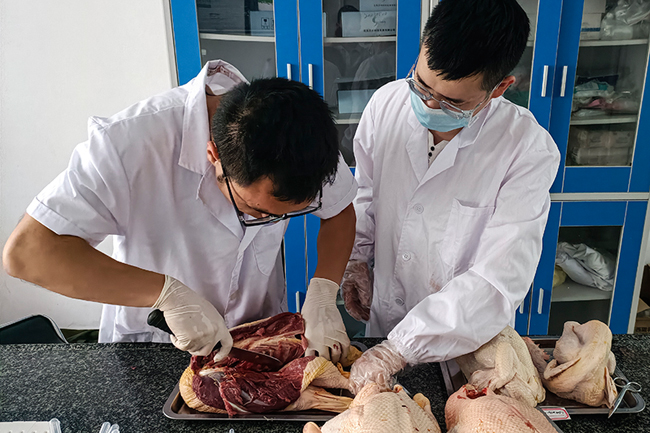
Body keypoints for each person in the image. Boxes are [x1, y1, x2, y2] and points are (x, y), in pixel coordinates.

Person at [3, 60, 357, 364]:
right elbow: (28, 253)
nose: (267, 222)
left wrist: (323, 292)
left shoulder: (303, 140)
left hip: (257, 340)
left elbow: (339, 210)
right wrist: (165, 294)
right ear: (213, 155)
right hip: (155, 348)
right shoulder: (128, 143)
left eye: (286, 215)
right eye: (254, 209)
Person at [342, 0, 561, 392]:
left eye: (452, 102)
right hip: (383, 321)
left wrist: (400, 348)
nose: (428, 104)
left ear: (500, 88)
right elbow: (365, 194)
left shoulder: (526, 149)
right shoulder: (386, 104)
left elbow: (497, 279)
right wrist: (357, 258)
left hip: (467, 351)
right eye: (422, 84)